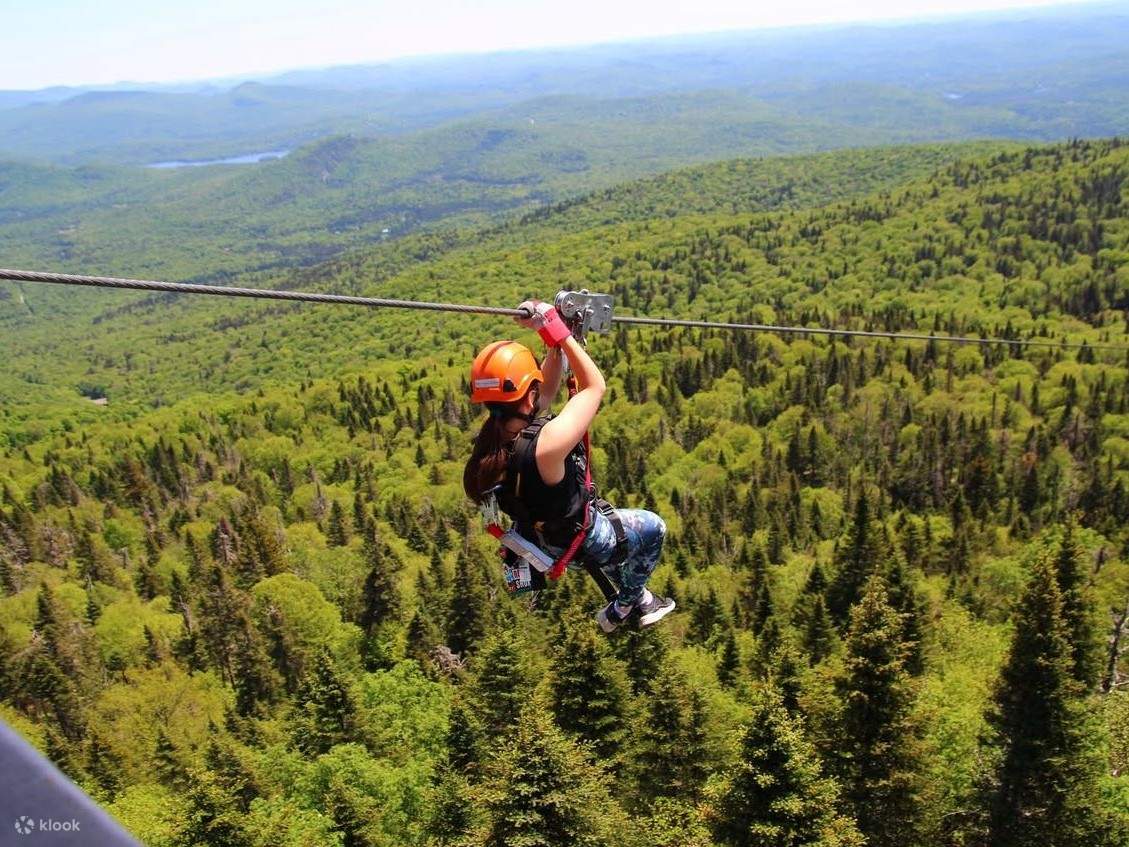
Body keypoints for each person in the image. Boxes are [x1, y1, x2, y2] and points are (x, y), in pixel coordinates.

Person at [463, 298, 675, 632]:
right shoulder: (546, 444)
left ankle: (642, 599)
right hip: (583, 540)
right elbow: (594, 386)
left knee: (619, 547)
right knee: (652, 528)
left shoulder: (492, 440)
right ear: (527, 391)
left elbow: (544, 390)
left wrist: (551, 341)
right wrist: (562, 334)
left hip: (546, 541)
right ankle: (621, 608)